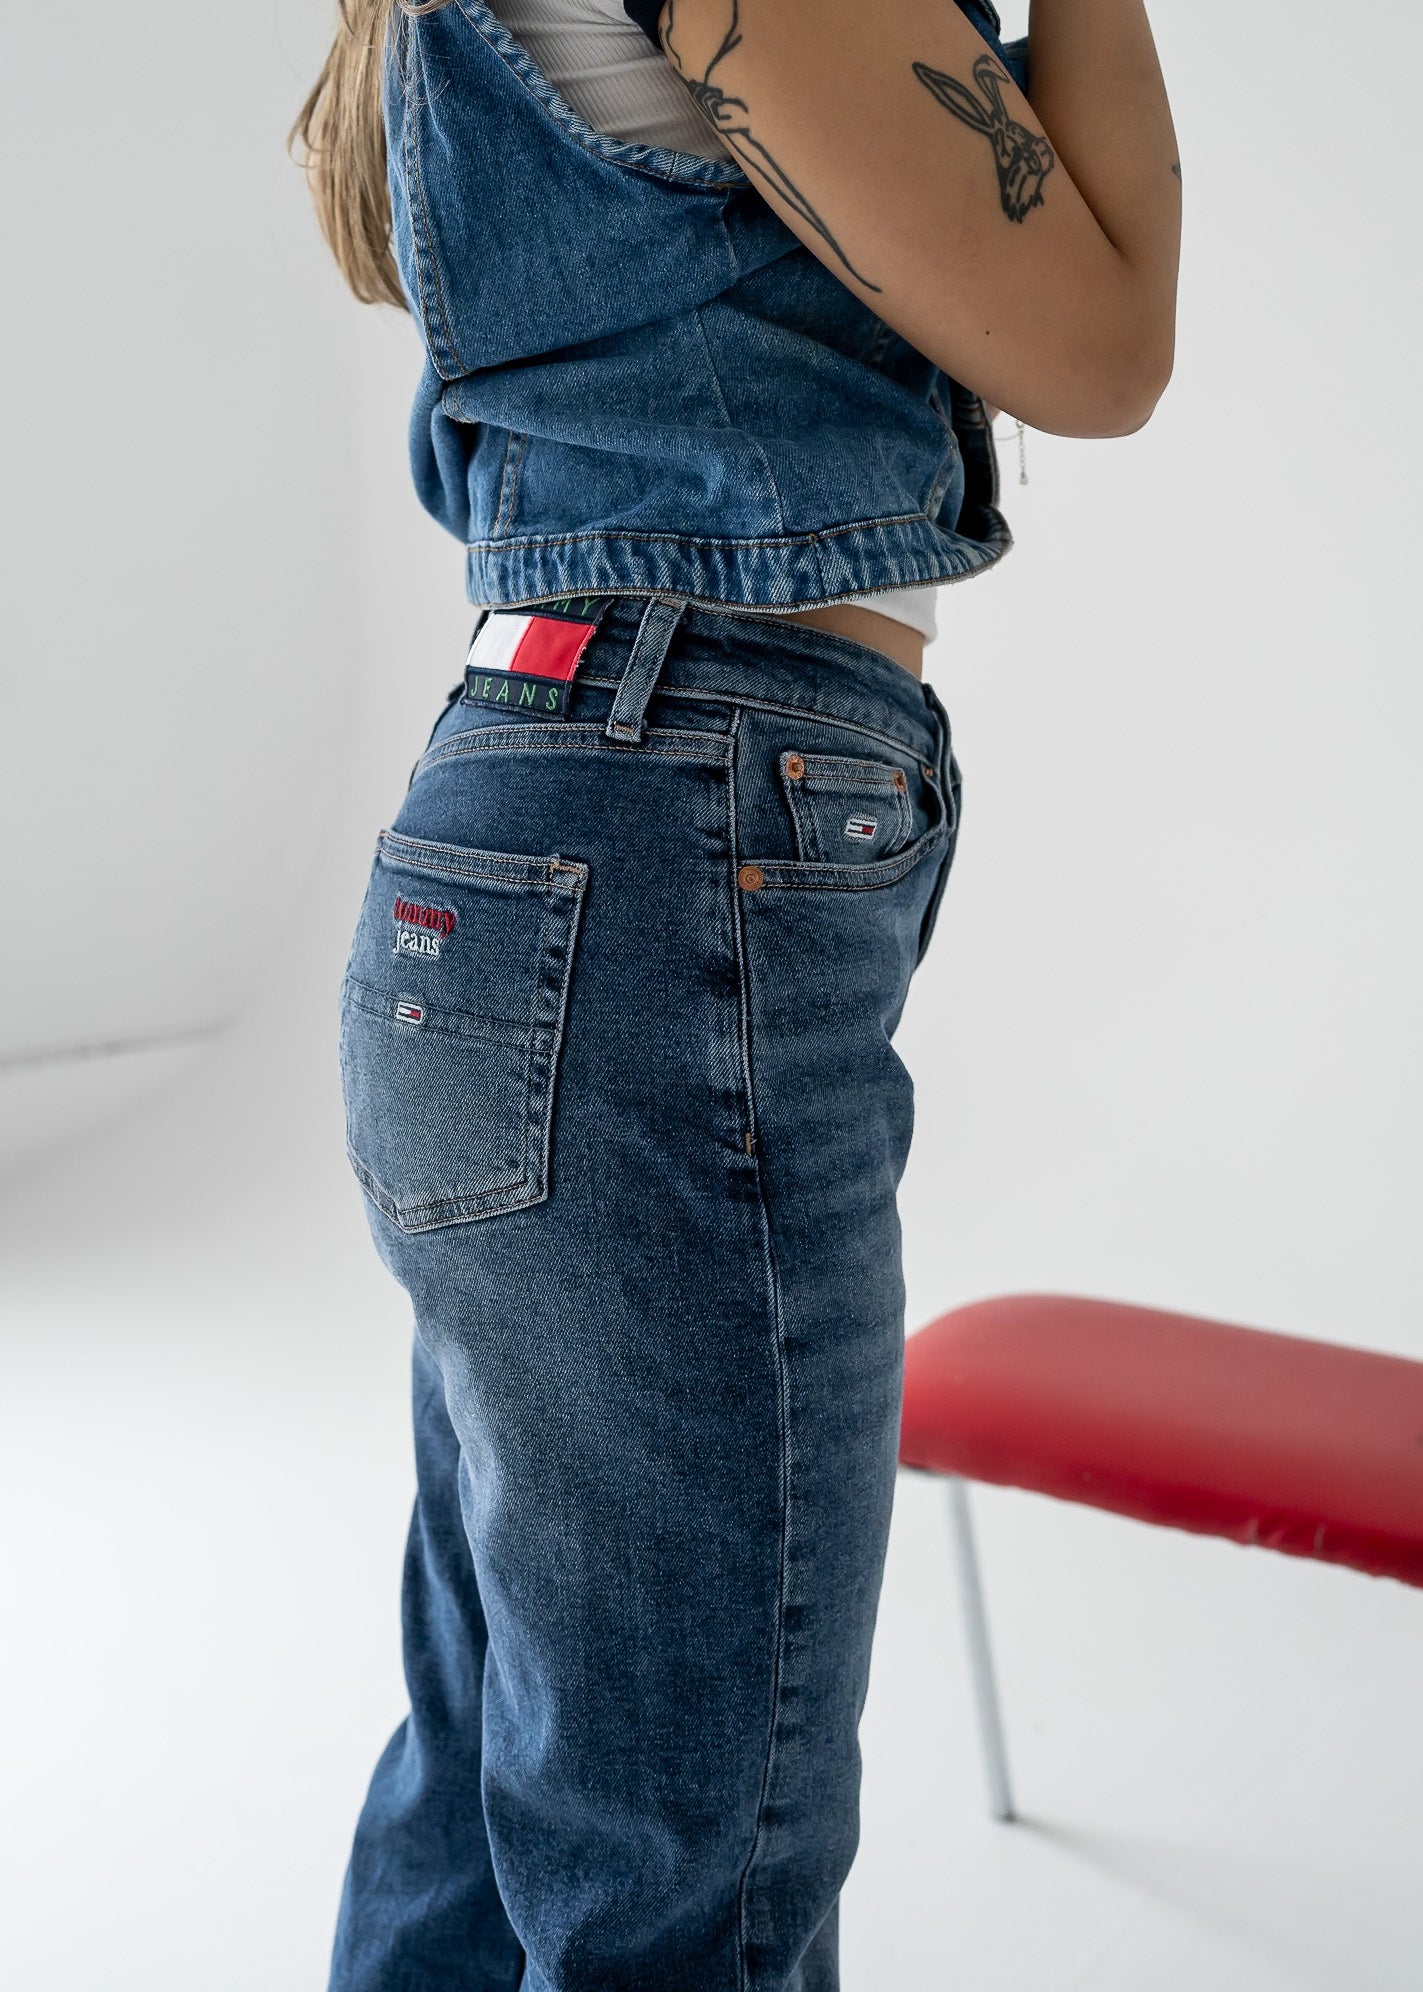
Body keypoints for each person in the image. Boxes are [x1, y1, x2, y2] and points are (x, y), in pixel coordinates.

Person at [293, 1, 1180, 1984]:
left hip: (547, 815)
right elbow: (1097, 351)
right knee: (698, 1858)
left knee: (503, 1777)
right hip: (670, 813)